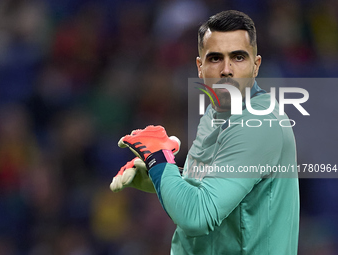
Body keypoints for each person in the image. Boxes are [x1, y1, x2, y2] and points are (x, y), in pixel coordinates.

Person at [111, 10, 299, 255]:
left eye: (238, 57)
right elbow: (211, 186)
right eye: (215, 58)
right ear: (200, 67)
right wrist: (159, 176)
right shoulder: (216, 112)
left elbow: (198, 217)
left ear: (256, 66)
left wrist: (158, 157)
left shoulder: (258, 124)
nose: (226, 69)